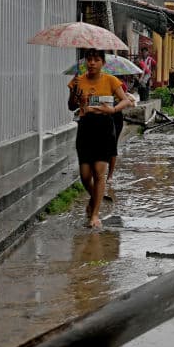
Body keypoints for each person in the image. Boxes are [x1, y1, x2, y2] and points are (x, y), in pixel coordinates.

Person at [68, 49, 131, 228]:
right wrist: (76, 96)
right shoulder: (78, 80)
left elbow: (126, 100)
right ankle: (95, 198)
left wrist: (112, 110)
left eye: (96, 60)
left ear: (103, 63)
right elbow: (70, 105)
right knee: (85, 175)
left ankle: (95, 215)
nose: (92, 63)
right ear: (85, 62)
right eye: (89, 59)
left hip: (104, 127)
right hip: (85, 127)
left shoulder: (110, 80)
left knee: (99, 172)